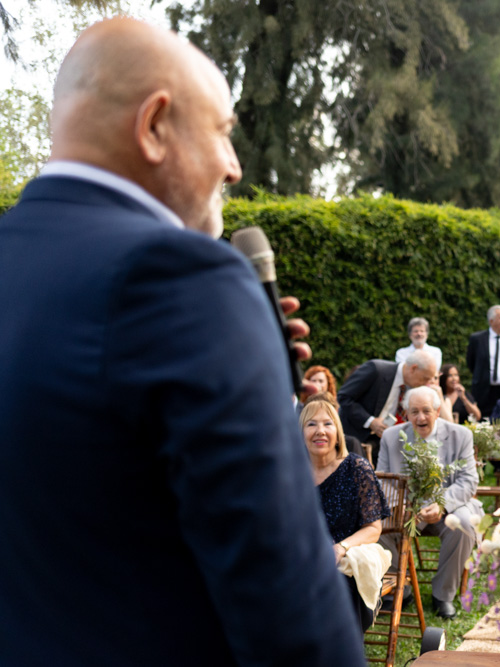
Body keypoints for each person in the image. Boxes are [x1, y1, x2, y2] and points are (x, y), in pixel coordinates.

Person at [0, 17, 365, 665]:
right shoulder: (185, 277)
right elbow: (285, 599)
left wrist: (256, 386)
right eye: (223, 131)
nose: (233, 165)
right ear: (154, 125)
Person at [376, 386, 482, 619]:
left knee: (464, 523)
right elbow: (382, 478)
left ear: (436, 411)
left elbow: (468, 480)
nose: (420, 417)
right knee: (376, 523)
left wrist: (442, 504)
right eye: (414, 412)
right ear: (406, 414)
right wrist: (399, 505)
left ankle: (442, 595)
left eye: (426, 411)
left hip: (449, 506)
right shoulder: (391, 437)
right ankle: (398, 588)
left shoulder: (460, 435)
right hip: (407, 508)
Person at [301, 398, 390, 634]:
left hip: (347, 553)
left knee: (337, 582)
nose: (320, 431)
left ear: (338, 432)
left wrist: (341, 547)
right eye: (311, 424)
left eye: (327, 424)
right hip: (303, 552)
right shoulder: (292, 473)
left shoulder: (356, 468)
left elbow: (373, 528)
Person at [337, 350, 438, 467]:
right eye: (425, 378)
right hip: (355, 442)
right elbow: (344, 397)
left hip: (382, 446)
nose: (426, 383)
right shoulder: (376, 369)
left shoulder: (413, 388)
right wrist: (370, 421)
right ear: (413, 368)